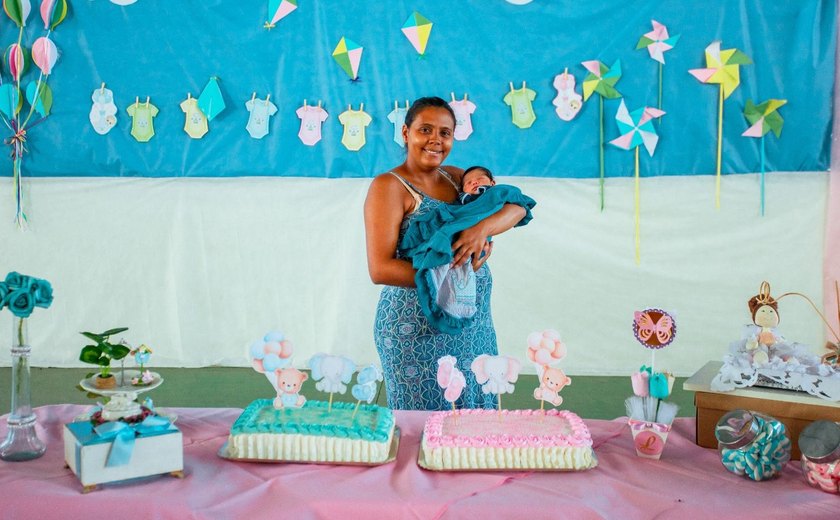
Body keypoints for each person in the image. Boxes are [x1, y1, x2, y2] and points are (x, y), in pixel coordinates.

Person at [364, 96, 528, 410]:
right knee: (426, 430)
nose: (436, 140)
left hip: (473, 325)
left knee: (473, 426)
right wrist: (453, 275)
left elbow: (516, 205)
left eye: (445, 132)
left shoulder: (456, 177)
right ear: (405, 132)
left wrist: (481, 230)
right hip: (414, 328)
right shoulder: (389, 186)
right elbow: (380, 268)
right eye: (425, 129)